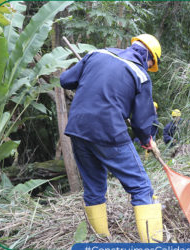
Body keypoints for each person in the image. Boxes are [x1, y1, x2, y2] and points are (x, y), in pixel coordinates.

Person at [59, 34, 162, 243]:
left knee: (94, 188)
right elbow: (142, 123)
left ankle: (101, 241)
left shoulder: (97, 54)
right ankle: (154, 244)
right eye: (152, 64)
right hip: (109, 131)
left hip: (78, 129)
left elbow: (66, 80)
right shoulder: (140, 74)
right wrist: (147, 140)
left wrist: (91, 81)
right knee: (141, 187)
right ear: (149, 58)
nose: (150, 67)